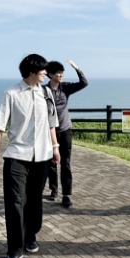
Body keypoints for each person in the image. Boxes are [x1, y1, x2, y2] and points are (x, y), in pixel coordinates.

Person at [0, 54, 60, 258]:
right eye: (42, 70)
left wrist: (55, 147)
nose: (45, 73)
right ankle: (15, 249)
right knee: (15, 202)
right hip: (17, 156)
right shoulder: (11, 94)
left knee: (34, 200)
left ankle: (30, 235)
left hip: (43, 156)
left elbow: (51, 123)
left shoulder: (46, 93)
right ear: (31, 71)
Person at [44, 59, 88, 208]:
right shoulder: (43, 91)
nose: (61, 75)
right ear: (50, 74)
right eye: (58, 73)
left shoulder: (66, 87)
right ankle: (54, 189)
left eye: (62, 72)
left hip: (65, 130)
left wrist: (76, 68)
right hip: (49, 131)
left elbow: (84, 83)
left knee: (66, 163)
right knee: (51, 162)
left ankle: (66, 195)